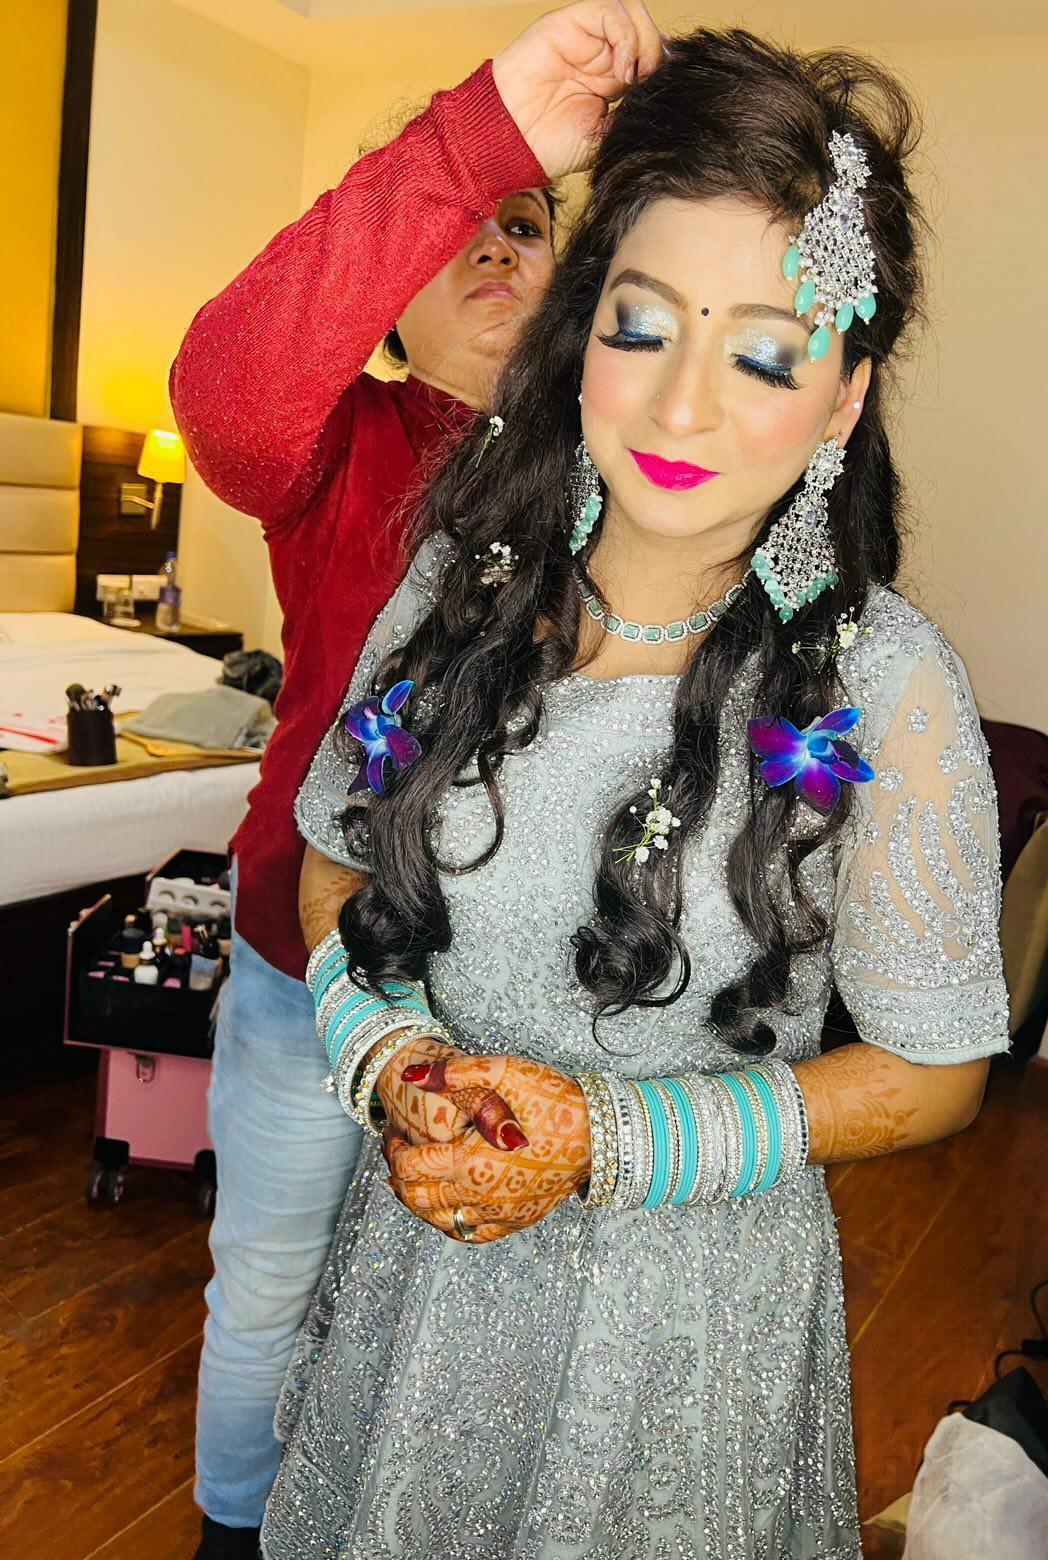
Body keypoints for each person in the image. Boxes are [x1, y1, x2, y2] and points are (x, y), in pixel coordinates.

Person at [270, 23, 1011, 1558]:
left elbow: (933, 1076)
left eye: (763, 354)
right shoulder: (457, 585)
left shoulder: (879, 684)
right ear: (582, 329)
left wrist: (603, 1139)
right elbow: (333, 858)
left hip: (677, 1330)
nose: (679, 407)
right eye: (642, 325)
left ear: (843, 396)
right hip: (424, 1265)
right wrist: (391, 1057)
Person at [166, 0, 654, 1545]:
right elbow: (230, 388)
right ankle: (232, 1529)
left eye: (527, 224)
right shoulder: (339, 448)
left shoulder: (627, 485)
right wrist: (478, 140)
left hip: (513, 1004)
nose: (498, 242)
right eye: (459, 228)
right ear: (385, 290)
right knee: (270, 1283)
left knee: (445, 1318)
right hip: (301, 965)